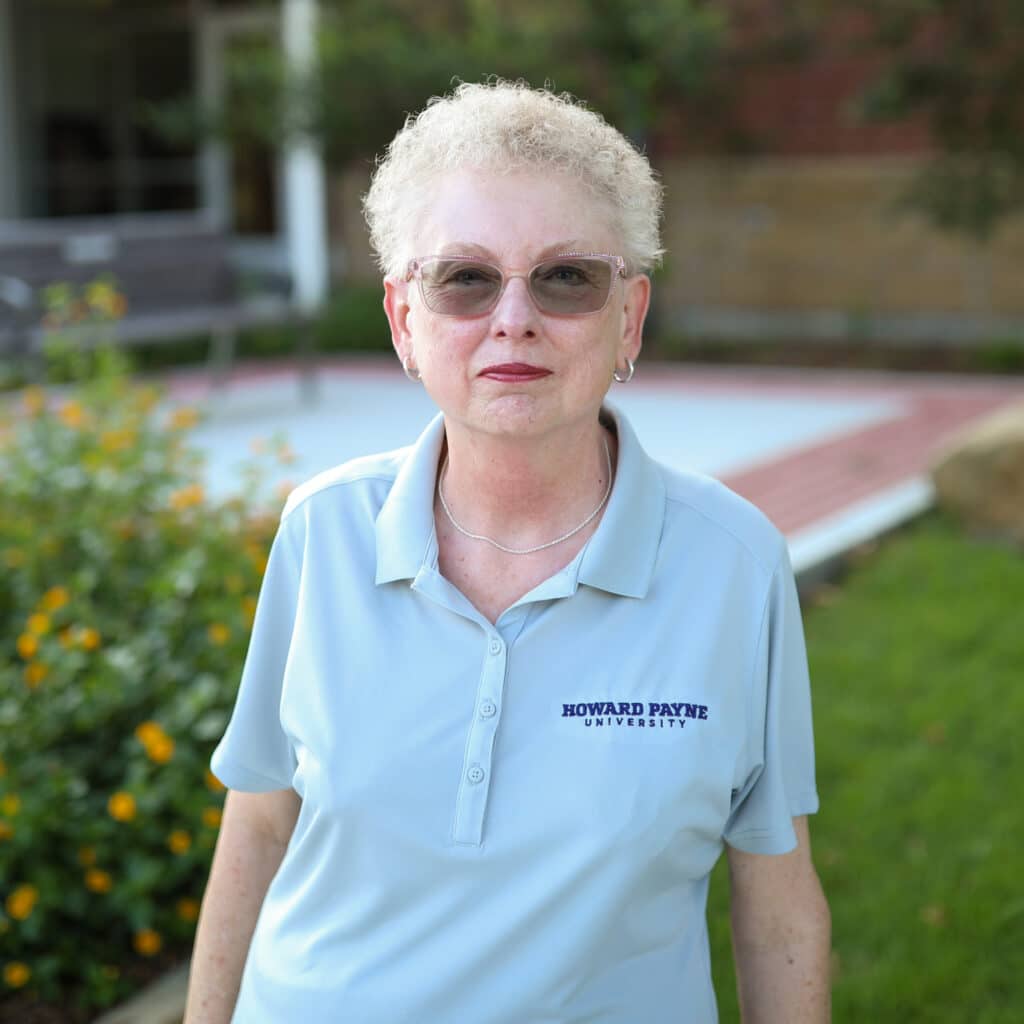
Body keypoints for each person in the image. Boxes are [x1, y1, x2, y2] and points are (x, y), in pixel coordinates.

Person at [184, 80, 831, 1024]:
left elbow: (776, 900)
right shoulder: (322, 530)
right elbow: (258, 825)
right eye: (465, 279)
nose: (514, 318)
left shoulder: (734, 563)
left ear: (629, 317)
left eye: (567, 278)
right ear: (404, 320)